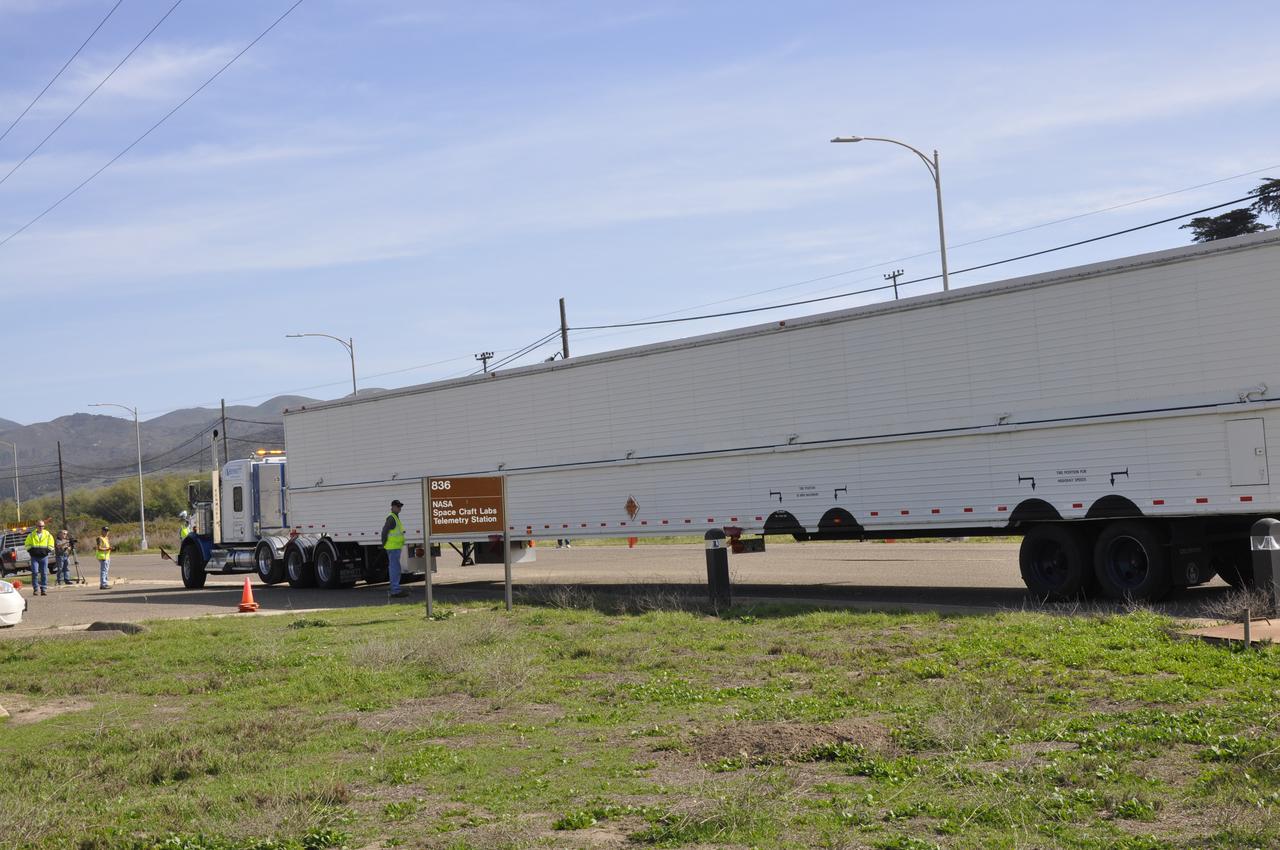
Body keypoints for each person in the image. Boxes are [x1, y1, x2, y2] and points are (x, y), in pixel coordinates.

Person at [381, 499, 407, 598]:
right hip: (393, 548)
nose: (400, 508)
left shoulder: (395, 517)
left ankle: (395, 589)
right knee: (395, 569)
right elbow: (384, 532)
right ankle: (395, 590)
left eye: (400, 506)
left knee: (395, 568)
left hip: (395, 547)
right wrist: (384, 543)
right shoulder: (392, 518)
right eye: (398, 506)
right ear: (393, 507)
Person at [24, 520, 54, 596]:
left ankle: (43, 589)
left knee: (44, 573)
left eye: (43, 526)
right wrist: (31, 551)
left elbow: (51, 544)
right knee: (35, 572)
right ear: (36, 526)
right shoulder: (31, 535)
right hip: (34, 557)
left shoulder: (48, 535)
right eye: (39, 526)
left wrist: (47, 551)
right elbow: (27, 544)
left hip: (44, 557)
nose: (41, 527)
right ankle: (36, 589)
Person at [94, 525, 112, 589]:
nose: (106, 532)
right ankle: (103, 584)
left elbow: (106, 547)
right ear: (102, 531)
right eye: (105, 531)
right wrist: (107, 549)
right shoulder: (100, 538)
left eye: (107, 531)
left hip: (107, 556)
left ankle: (105, 583)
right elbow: (99, 548)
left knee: (106, 571)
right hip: (102, 556)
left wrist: (109, 549)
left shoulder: (106, 538)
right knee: (103, 571)